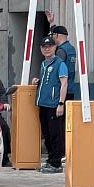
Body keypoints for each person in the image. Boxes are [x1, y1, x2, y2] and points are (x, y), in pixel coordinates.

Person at [31, 36, 68, 174]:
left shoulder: (60, 64)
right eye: (44, 47)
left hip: (54, 105)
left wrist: (61, 103)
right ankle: (50, 160)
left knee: (55, 134)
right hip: (43, 104)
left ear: (55, 48)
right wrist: (37, 81)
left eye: (50, 46)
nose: (47, 49)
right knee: (47, 134)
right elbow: (47, 81)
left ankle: (56, 163)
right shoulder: (43, 64)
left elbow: (64, 84)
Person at [46, 10, 77, 100]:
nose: (52, 37)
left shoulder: (60, 51)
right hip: (70, 88)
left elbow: (56, 69)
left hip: (60, 91)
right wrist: (51, 23)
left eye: (52, 35)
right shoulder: (71, 49)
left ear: (56, 35)